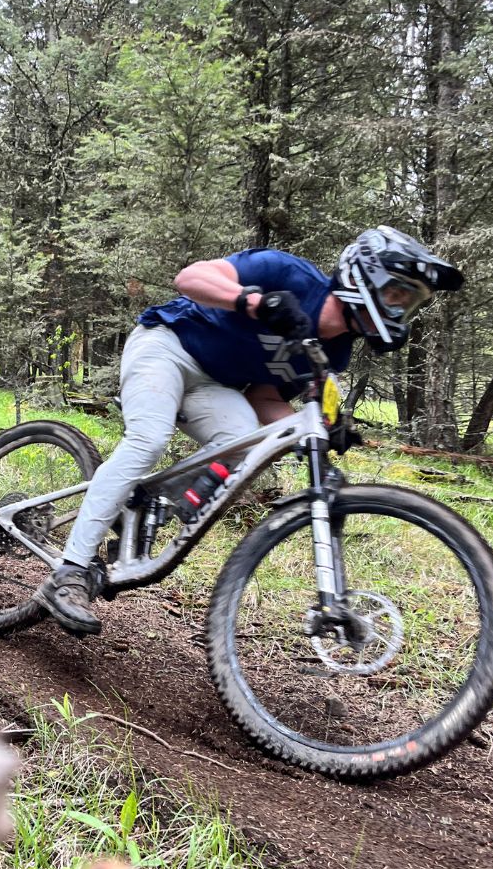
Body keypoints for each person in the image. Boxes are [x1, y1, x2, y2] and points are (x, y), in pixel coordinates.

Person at [33, 225, 464, 636]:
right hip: (167, 344)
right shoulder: (287, 274)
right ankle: (70, 570)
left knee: (243, 443)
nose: (399, 309)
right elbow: (190, 278)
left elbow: (265, 400)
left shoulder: (333, 352)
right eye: (396, 293)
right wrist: (255, 302)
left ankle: (148, 508)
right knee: (149, 439)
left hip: (213, 384)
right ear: (366, 276)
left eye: (409, 301)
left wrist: (311, 431)